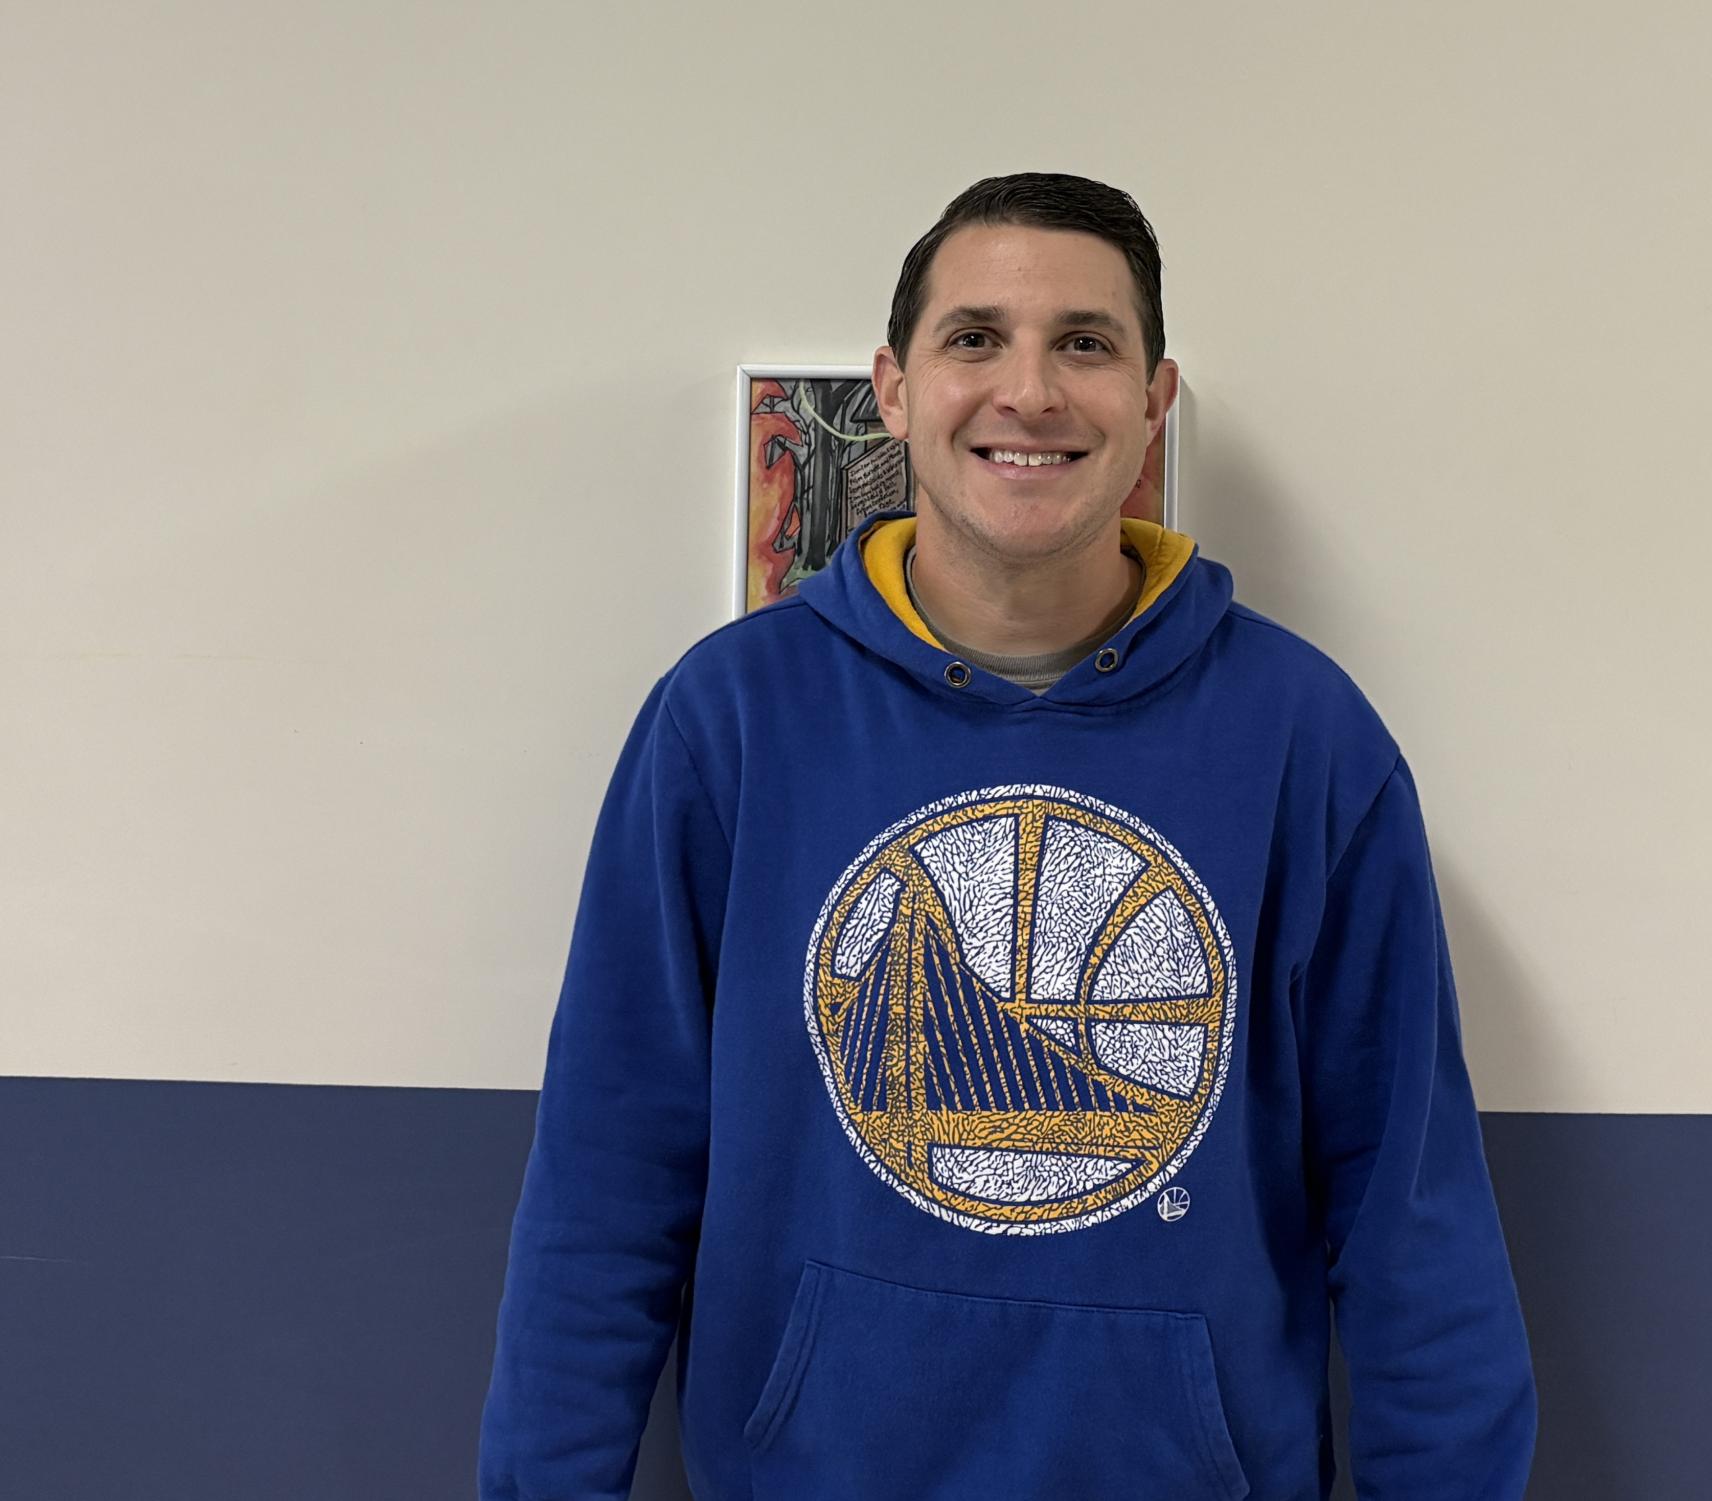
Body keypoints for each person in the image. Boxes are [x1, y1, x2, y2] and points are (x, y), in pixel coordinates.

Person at [478, 171, 1536, 1501]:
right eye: (974, 337)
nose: (1027, 390)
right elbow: (604, 1185)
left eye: (1083, 344)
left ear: (1150, 401)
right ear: (894, 391)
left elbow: (1412, 1222)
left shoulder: (1305, 740)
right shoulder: (730, 719)